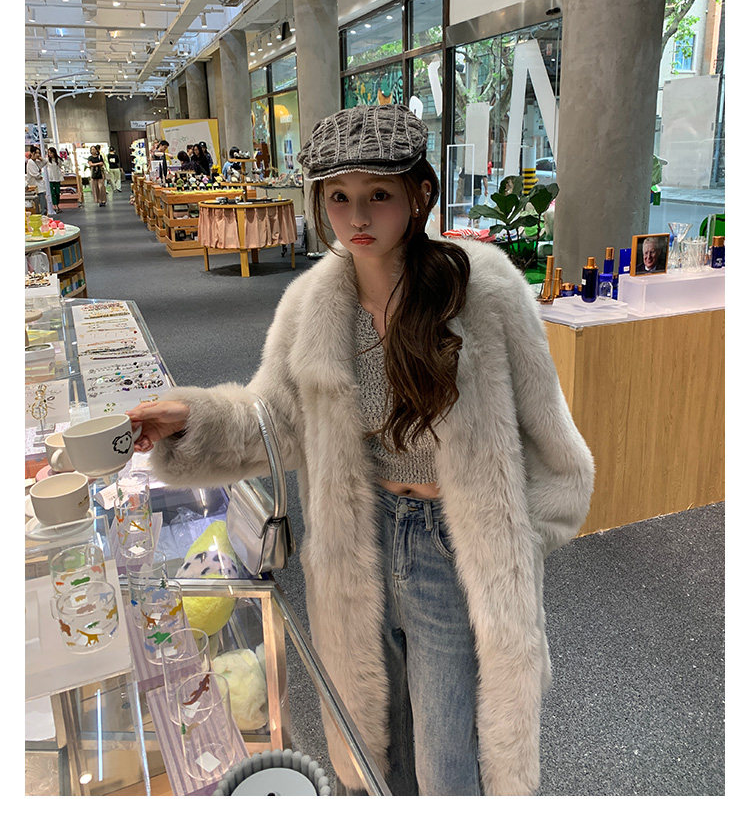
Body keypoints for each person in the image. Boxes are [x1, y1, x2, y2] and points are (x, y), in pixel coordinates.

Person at [126, 103, 594, 797]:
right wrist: (191, 419)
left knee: (448, 762)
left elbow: (555, 441)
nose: (358, 216)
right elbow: (274, 419)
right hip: (356, 541)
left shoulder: (483, 290)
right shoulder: (314, 303)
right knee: (376, 749)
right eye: (339, 197)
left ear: (418, 193)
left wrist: (513, 544)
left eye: (378, 193)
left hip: (449, 548)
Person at [26, 145, 48, 215]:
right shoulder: (30, 162)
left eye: (39, 153)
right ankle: (42, 215)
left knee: (43, 203)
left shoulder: (36, 162)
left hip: (39, 186)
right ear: (32, 153)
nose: (38, 155)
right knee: (40, 203)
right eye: (36, 153)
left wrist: (39, 157)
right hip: (35, 185)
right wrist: (40, 176)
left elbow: (45, 161)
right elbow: (36, 175)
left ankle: (43, 215)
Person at [46, 146, 62, 212]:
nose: (50, 154)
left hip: (57, 178)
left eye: (51, 153)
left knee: (57, 192)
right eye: (49, 153)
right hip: (50, 179)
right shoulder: (47, 160)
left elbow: (60, 166)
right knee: (52, 193)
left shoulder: (58, 160)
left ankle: (57, 204)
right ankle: (55, 206)